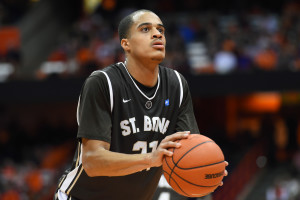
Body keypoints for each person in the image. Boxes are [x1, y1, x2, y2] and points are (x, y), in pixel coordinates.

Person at [54, 9, 227, 200]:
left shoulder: (177, 84)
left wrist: (207, 170)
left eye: (160, 29)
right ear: (125, 44)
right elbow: (92, 161)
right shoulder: (103, 83)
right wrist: (150, 159)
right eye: (145, 29)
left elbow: (188, 150)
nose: (157, 33)